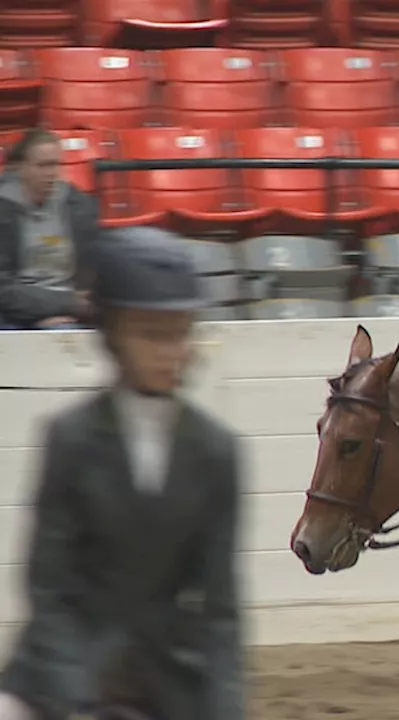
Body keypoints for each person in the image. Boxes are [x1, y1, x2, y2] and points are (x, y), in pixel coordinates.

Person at [0, 226, 246, 720]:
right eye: (150, 334)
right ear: (112, 334)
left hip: (168, 678)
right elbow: (49, 590)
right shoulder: (70, 439)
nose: (168, 351)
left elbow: (220, 611)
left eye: (180, 332)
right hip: (65, 670)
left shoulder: (216, 454)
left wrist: (224, 707)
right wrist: (72, 701)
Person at [0, 128, 99, 329]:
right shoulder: (3, 210)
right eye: (42, 165)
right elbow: (2, 289)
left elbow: (92, 273)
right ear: (20, 168)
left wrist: (77, 306)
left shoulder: (79, 207)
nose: (51, 173)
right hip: (13, 311)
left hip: (69, 311)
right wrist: (61, 306)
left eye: (56, 164)